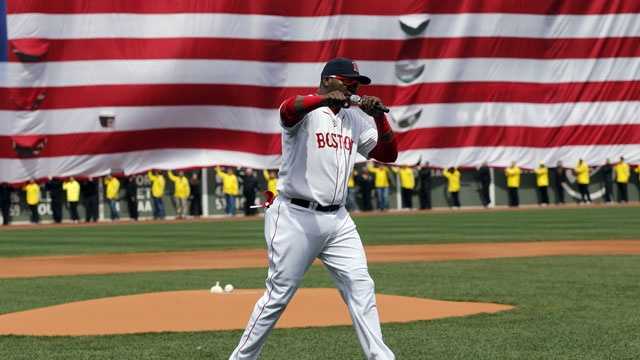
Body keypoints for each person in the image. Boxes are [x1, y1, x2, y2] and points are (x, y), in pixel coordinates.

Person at [229, 57, 397, 360]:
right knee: (277, 297)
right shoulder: (306, 112)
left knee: (362, 288)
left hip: (338, 219)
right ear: (329, 79)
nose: (354, 88)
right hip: (296, 216)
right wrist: (322, 99)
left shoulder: (355, 119)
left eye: (357, 84)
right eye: (348, 82)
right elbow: (287, 109)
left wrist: (378, 118)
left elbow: (389, 153)